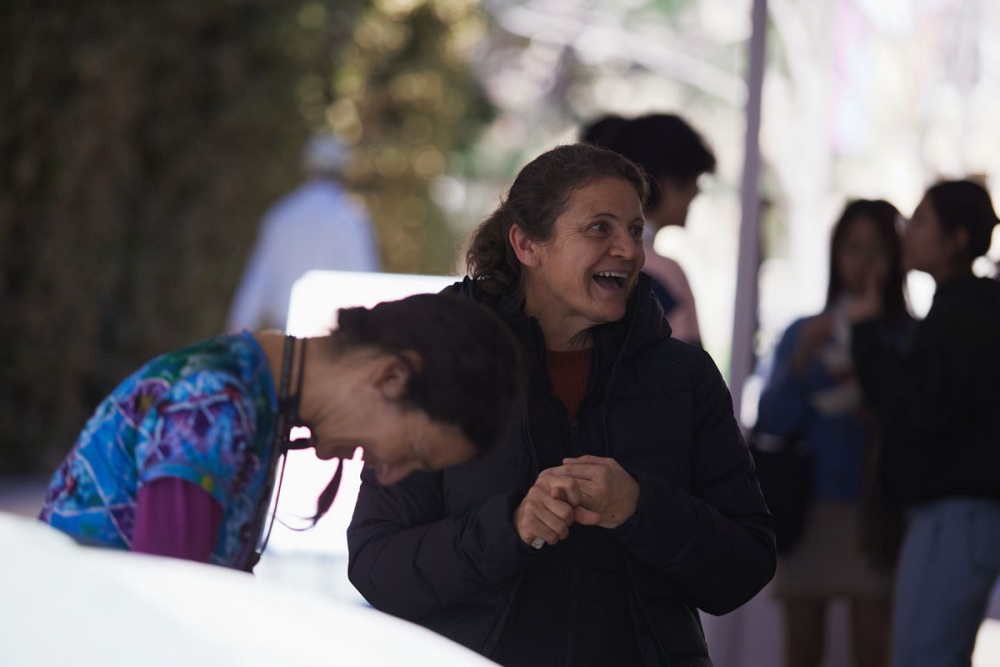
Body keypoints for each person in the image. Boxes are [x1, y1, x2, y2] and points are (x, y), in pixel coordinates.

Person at [347, 143, 775, 666]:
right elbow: (376, 566)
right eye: (600, 228)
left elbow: (746, 567)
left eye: (635, 230)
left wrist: (639, 507)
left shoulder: (686, 378)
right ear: (528, 245)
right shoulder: (441, 372)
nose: (629, 250)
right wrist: (510, 527)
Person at [39, 293, 525, 571]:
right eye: (415, 451)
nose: (393, 475)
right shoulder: (213, 404)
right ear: (390, 376)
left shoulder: (255, 396)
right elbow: (169, 605)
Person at [755, 199, 913, 667]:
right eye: (852, 248)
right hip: (807, 510)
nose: (863, 263)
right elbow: (771, 424)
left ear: (898, 258)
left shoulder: (908, 337)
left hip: (877, 514)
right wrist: (802, 361)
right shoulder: (806, 330)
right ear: (835, 254)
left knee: (872, 651)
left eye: (878, 251)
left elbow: (917, 421)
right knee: (802, 652)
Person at [849, 179, 1000, 667]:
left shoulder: (963, 313)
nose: (906, 231)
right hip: (962, 515)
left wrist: (868, 333)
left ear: (955, 239)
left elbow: (915, 407)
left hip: (953, 516)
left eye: (920, 221)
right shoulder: (970, 308)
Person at [581, 112, 716, 345]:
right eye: (696, 178)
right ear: (667, 181)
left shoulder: (578, 263)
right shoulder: (664, 274)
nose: (697, 191)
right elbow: (690, 376)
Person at [226, 132, 381, 332]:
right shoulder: (350, 217)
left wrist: (236, 330)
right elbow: (365, 280)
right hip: (333, 340)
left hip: (286, 337)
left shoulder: (282, 213)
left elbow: (257, 280)